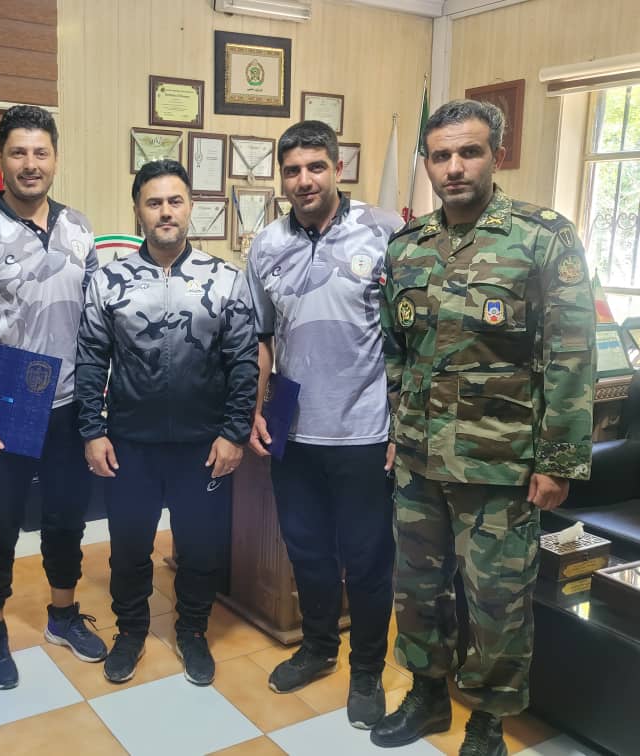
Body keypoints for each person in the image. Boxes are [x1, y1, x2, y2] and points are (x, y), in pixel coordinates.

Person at [371, 99, 595, 756]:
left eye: (469, 152)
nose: (454, 167)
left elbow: (571, 355)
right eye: (441, 155)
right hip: (419, 461)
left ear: (496, 155)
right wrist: (397, 430)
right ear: (427, 163)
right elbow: (395, 351)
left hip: (501, 466)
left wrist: (557, 461)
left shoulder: (542, 238)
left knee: (497, 604)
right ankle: (426, 696)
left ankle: (489, 723)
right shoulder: (408, 247)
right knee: (417, 590)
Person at [0, 105, 107, 690]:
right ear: (2, 159)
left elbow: (95, 320)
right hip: (5, 401)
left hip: (70, 401)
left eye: (41, 152)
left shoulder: (80, 228)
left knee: (66, 516)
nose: (30, 164)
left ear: (55, 158)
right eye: (18, 152)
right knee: (0, 522)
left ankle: (62, 614)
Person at [76, 160, 258, 686]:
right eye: (153, 202)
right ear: (138, 210)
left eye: (175, 201)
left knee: (200, 547)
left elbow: (243, 362)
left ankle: (193, 631)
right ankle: (131, 630)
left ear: (190, 207)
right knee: (129, 547)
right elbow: (90, 359)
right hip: (130, 443)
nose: (165, 212)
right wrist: (92, 431)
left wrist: (234, 434)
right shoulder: (108, 281)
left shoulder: (224, 279)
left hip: (203, 445)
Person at [245, 120, 402, 729]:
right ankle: (317, 648)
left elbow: (409, 337)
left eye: (316, 167)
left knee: (366, 559)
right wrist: (257, 408)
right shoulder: (267, 245)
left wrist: (399, 425)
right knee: (306, 551)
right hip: (293, 425)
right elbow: (262, 337)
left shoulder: (385, 231)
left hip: (364, 429)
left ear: (338, 168)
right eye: (292, 170)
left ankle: (366, 670)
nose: (304, 180)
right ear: (281, 177)